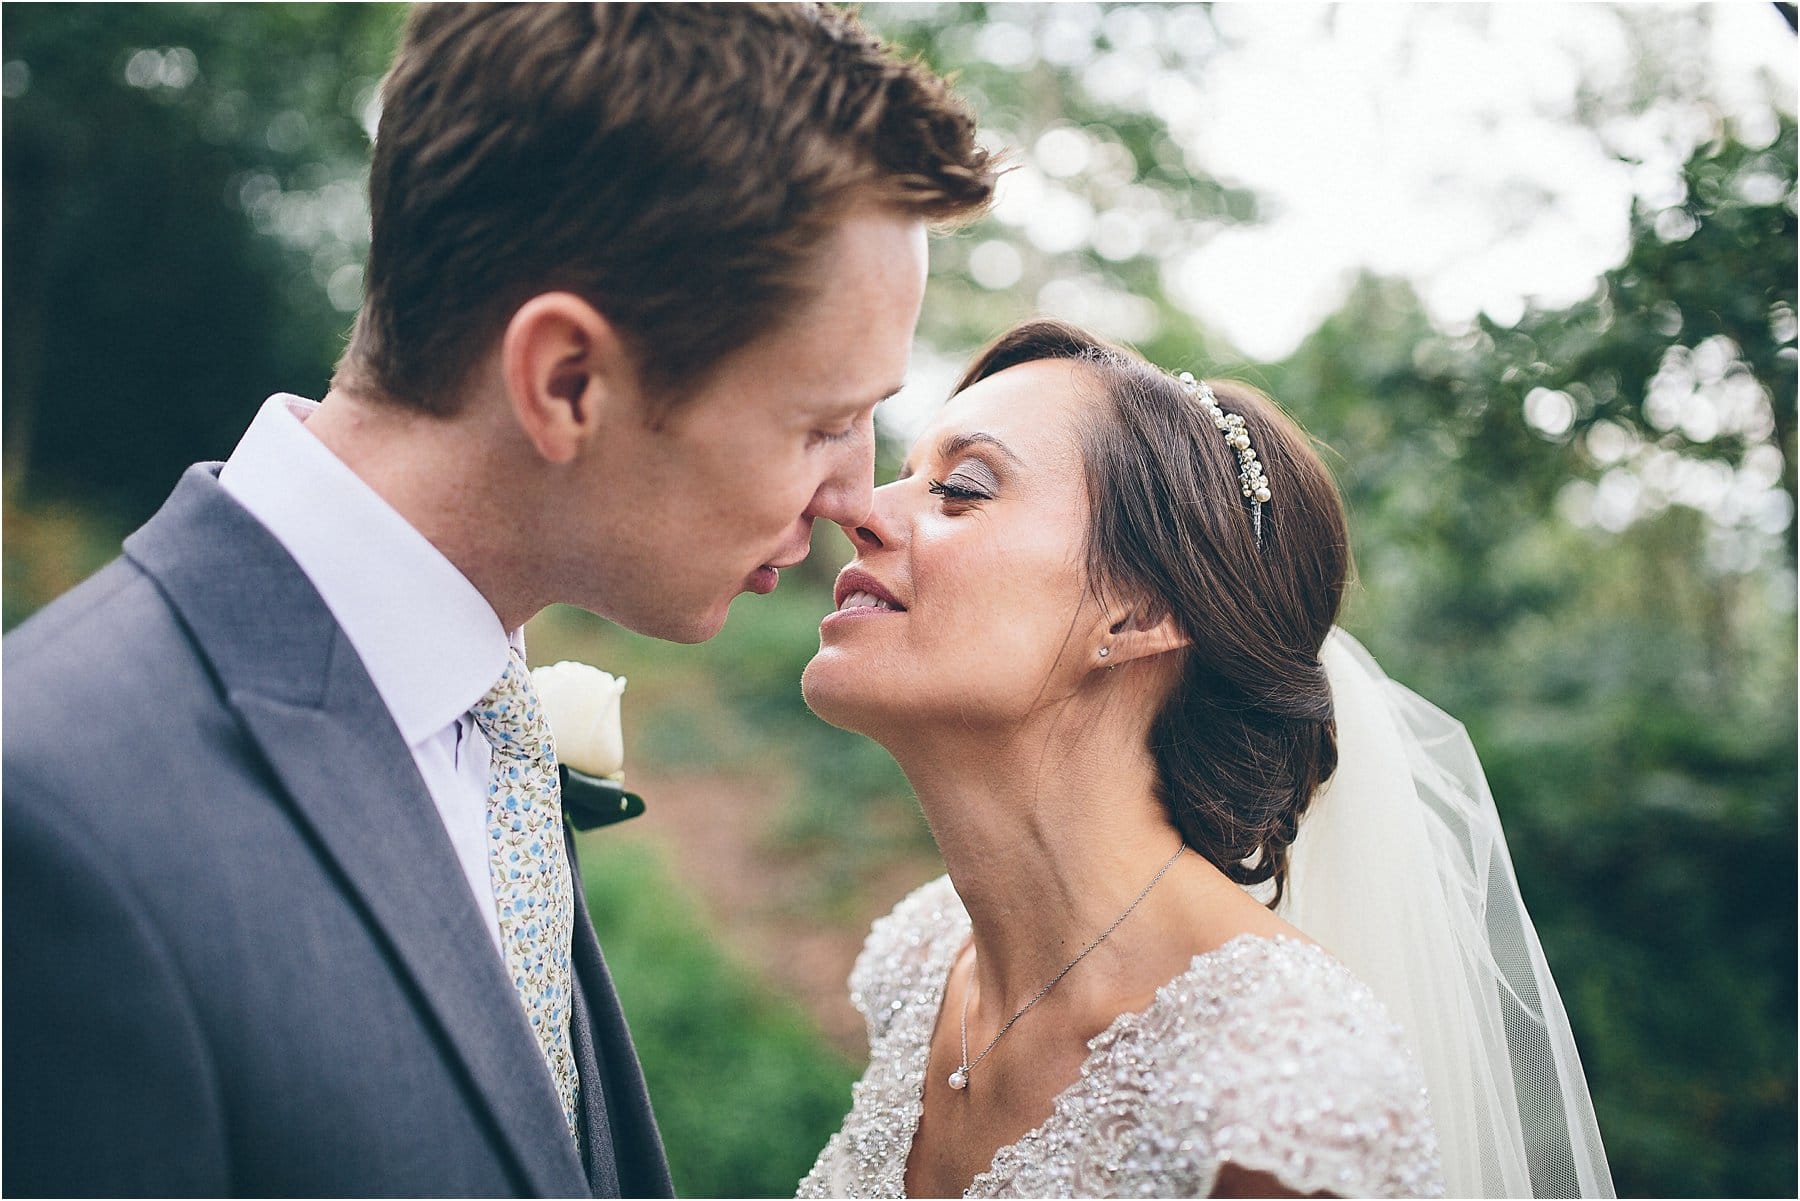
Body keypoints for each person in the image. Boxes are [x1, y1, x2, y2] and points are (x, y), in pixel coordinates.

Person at [2, 5, 994, 1196]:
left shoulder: (486, 714)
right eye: (824, 421)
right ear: (566, 381)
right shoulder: (53, 816)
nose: (851, 493)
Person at [797, 319, 1615, 1198]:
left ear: (1138, 609)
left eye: (961, 488)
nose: (862, 509)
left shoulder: (1282, 1079)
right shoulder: (922, 962)